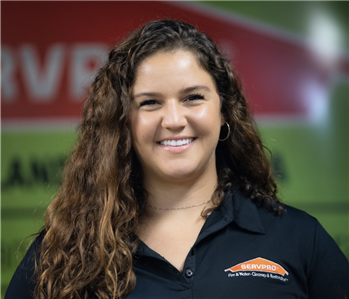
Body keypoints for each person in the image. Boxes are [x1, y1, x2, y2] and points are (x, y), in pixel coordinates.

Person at [5, 19, 349, 299]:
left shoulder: (299, 238)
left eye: (192, 98)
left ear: (224, 110)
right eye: (150, 102)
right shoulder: (67, 249)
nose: (173, 120)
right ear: (124, 122)